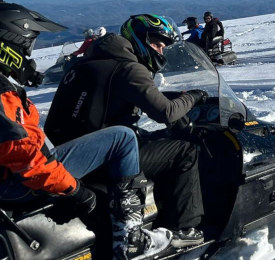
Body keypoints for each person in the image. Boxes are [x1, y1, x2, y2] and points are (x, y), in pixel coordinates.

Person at [0, 1, 172, 260]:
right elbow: (27, 158)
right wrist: (75, 191)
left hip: (13, 177)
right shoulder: (2, 93)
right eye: (27, 46)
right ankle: (130, 239)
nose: (28, 54)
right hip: (17, 184)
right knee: (122, 137)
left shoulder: (6, 89)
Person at [45, 14, 207, 248]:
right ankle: (182, 228)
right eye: (157, 44)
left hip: (76, 155)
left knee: (153, 139)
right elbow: (167, 113)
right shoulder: (129, 68)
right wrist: (193, 97)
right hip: (110, 159)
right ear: (140, 39)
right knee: (185, 152)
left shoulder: (85, 64)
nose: (160, 51)